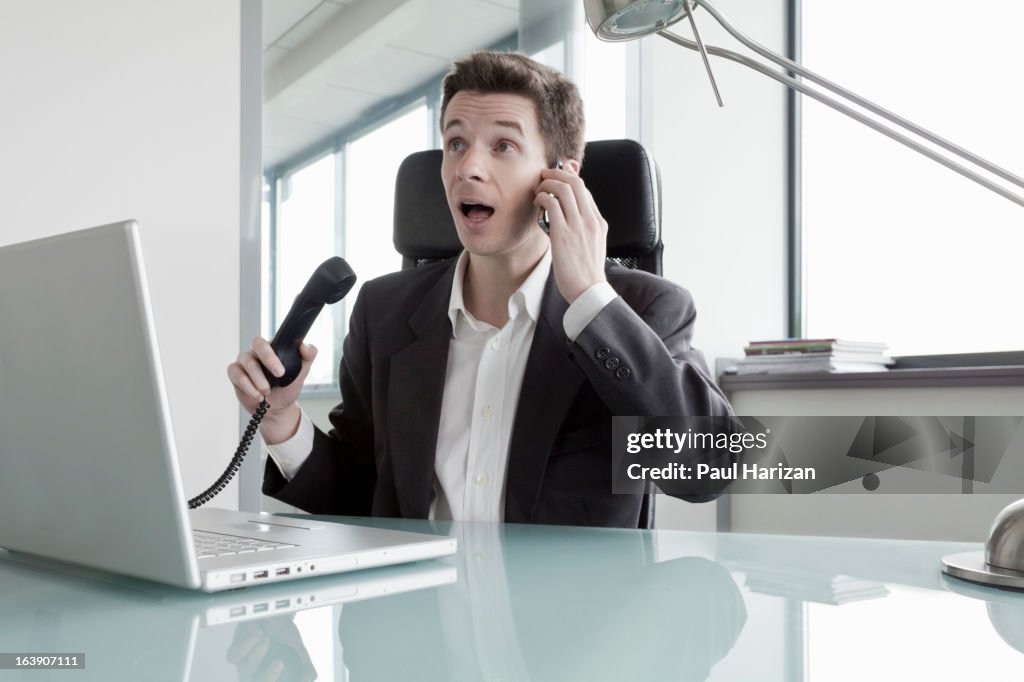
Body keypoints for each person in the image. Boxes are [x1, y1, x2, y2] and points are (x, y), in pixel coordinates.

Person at [227, 50, 733, 527]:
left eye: (503, 146)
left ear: (560, 178)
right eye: (456, 143)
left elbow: (707, 470)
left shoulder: (643, 309)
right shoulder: (384, 312)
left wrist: (591, 300)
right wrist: (283, 422)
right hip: (416, 614)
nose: (468, 167)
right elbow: (367, 497)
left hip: (570, 616)